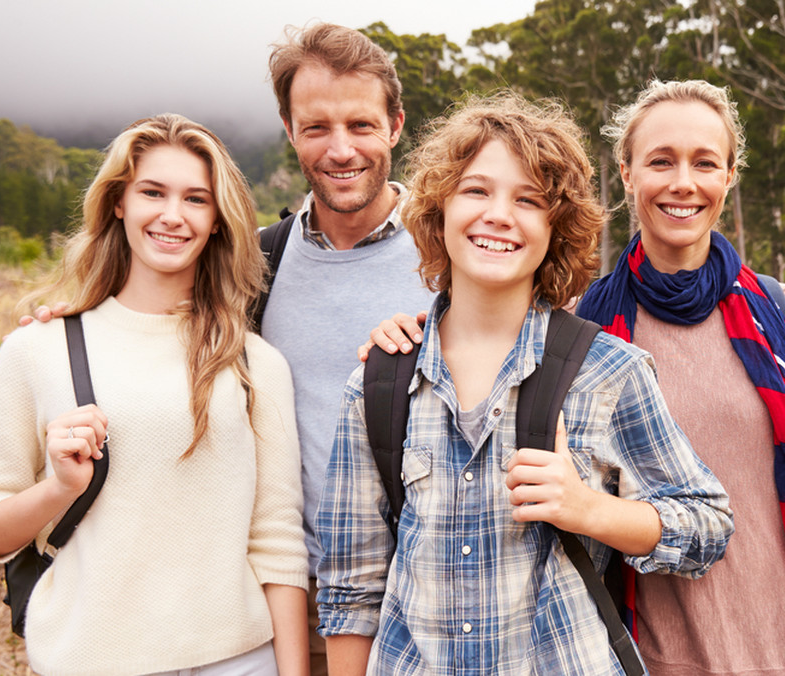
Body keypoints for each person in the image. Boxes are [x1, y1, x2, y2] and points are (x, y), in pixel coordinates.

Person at [366, 80, 785, 676]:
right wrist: (414, 339)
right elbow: (485, 327)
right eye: (661, 161)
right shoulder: (583, 333)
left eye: (705, 163)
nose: (682, 183)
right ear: (626, 172)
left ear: (729, 177)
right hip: (657, 655)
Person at [315, 91, 734, 675]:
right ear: (439, 208)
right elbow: (351, 591)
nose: (499, 215)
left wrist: (588, 510)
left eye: (529, 199)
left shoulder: (608, 370)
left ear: (555, 226)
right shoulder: (379, 382)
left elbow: (708, 524)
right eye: (477, 190)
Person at [0, 114, 309, 675]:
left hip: (238, 661)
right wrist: (58, 488)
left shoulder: (254, 363)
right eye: (153, 192)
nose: (173, 215)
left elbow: (277, 545)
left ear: (218, 219)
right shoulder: (37, 350)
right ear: (119, 202)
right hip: (93, 661)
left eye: (196, 199)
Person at [264, 26, 436, 673]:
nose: (341, 150)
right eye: (316, 128)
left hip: (435, 599)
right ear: (289, 129)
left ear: (394, 125)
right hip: (294, 603)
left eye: (361, 125)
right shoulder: (254, 262)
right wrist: (62, 319)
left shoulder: (457, 248)